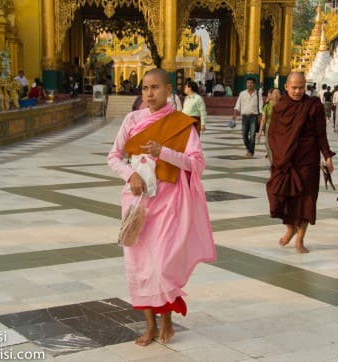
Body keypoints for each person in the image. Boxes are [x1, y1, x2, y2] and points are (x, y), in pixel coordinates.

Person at [107, 68, 216, 346]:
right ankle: (149, 326)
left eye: (155, 88)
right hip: (138, 202)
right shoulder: (132, 119)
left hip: (169, 203)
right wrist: (129, 175)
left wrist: (163, 152)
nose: (149, 93)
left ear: (169, 90)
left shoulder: (182, 124)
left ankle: (167, 319)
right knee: (139, 264)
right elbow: (114, 156)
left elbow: (197, 165)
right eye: (145, 88)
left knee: (161, 264)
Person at [266, 72, 335, 253]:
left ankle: (300, 240)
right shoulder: (280, 108)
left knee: (307, 200)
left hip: (308, 160)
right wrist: (278, 157)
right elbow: (273, 135)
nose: (298, 91)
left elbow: (321, 133)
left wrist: (327, 156)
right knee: (284, 197)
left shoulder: (313, 106)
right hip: (286, 161)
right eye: (294, 87)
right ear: (286, 87)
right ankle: (290, 229)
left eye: (301, 87)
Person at [231, 77, 263, 158]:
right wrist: (234, 115)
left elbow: (261, 107)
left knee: (252, 135)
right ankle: (249, 149)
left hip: (254, 117)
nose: (249, 84)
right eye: (248, 83)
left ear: (254, 84)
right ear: (246, 84)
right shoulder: (242, 93)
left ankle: (250, 151)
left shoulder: (258, 94)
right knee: (244, 135)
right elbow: (237, 105)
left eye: (251, 83)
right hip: (244, 117)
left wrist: (260, 117)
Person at [257, 88, 281, 163]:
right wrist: (260, 132)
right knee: (268, 144)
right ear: (271, 95)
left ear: (280, 95)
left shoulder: (283, 105)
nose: (276, 95)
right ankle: (272, 162)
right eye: (274, 93)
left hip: (280, 128)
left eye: (278, 93)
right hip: (269, 128)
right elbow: (263, 120)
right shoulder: (267, 106)